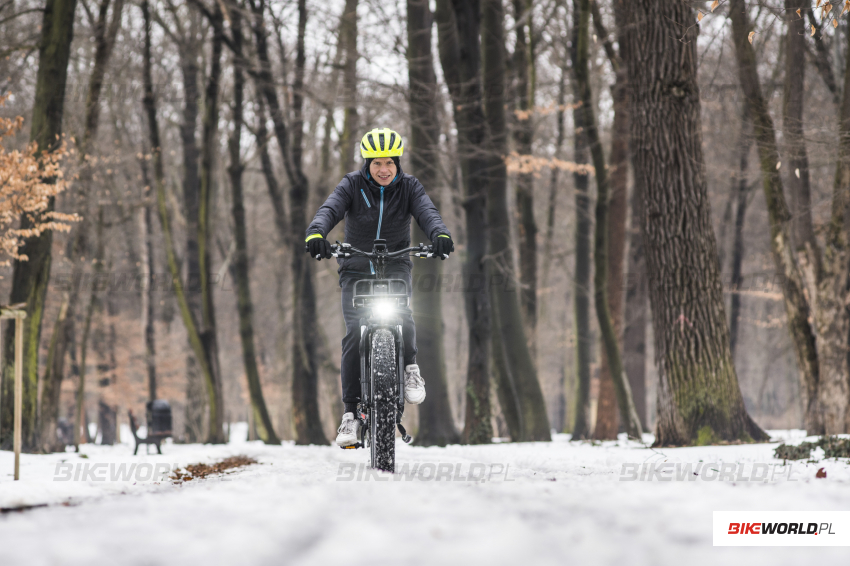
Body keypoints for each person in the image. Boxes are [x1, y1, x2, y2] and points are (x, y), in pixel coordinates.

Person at [305, 128, 454, 447]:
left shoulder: (410, 187)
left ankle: (411, 368)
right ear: (367, 164)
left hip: (397, 262)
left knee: (404, 313)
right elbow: (330, 209)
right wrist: (317, 233)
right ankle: (349, 416)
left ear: (397, 163)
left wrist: (439, 234)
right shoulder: (351, 184)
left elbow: (427, 212)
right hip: (355, 266)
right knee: (353, 331)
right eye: (376, 163)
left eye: (389, 162)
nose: (383, 169)